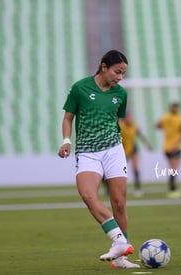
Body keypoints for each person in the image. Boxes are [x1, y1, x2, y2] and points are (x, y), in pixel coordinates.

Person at [57, 50, 139, 269]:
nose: (120, 77)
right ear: (104, 67)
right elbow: (67, 117)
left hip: (113, 150)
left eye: (123, 73)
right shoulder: (80, 88)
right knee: (87, 194)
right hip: (86, 152)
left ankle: (121, 258)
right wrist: (66, 140)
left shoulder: (120, 94)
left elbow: (117, 121)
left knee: (119, 204)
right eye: (117, 72)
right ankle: (120, 241)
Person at [119, 110, 152, 197]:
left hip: (133, 148)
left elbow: (141, 135)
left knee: (135, 167)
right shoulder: (120, 126)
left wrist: (147, 145)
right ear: (125, 118)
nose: (130, 119)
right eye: (128, 117)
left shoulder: (135, 126)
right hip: (122, 150)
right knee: (118, 170)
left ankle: (138, 188)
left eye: (131, 117)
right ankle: (111, 188)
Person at [155, 102, 181, 199]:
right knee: (174, 169)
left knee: (173, 169)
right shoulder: (179, 118)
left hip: (167, 146)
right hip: (175, 146)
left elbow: (157, 126)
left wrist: (166, 128)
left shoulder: (165, 117)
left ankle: (174, 188)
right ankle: (172, 190)